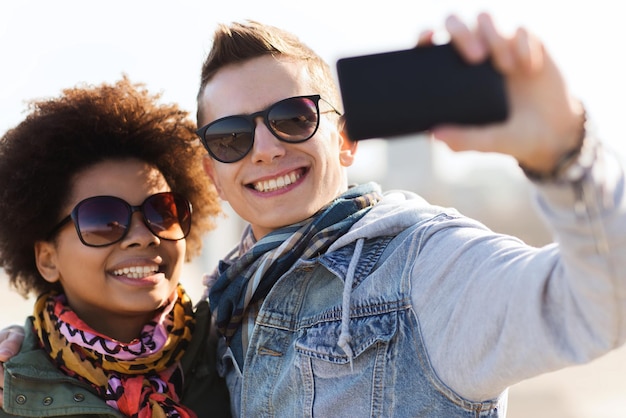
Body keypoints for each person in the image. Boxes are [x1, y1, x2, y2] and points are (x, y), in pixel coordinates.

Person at [3, 12, 626, 416]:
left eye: (293, 117)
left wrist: (566, 154)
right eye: (229, 136)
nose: (267, 147)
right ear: (214, 172)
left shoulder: (422, 265)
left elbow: (596, 305)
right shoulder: (220, 316)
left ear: (345, 140)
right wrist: (26, 352)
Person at [0, 77, 230, 417]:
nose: (143, 236)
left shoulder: (238, 350)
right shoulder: (11, 391)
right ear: (47, 259)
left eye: (162, 212)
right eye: (104, 219)